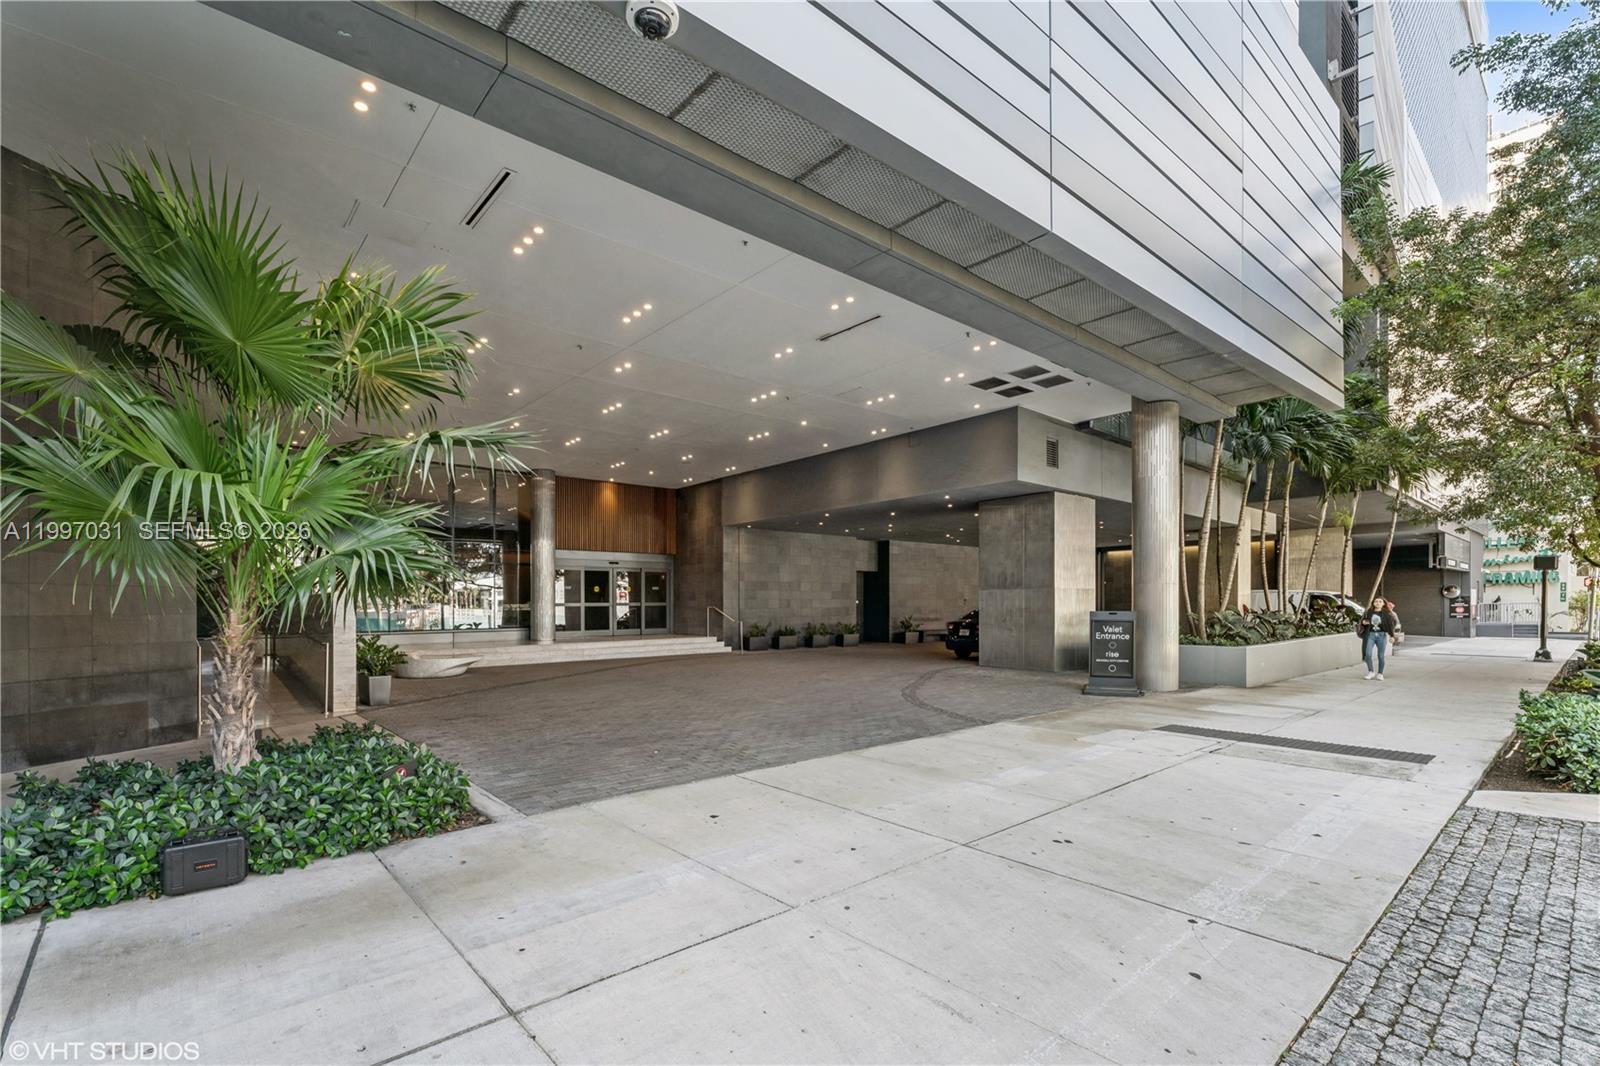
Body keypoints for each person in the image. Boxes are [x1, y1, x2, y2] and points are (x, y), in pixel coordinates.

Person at [1358, 596, 1398, 680]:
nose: (1378, 603)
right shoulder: (1369, 612)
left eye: (1380, 601)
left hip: (1381, 635)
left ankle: (1380, 673)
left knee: (1380, 656)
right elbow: (1364, 620)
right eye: (1376, 601)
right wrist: (1364, 622)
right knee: (1367, 654)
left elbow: (1390, 625)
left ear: (1383, 603)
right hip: (1370, 635)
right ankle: (1371, 671)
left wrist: (1392, 636)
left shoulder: (1387, 613)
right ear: (1373, 603)